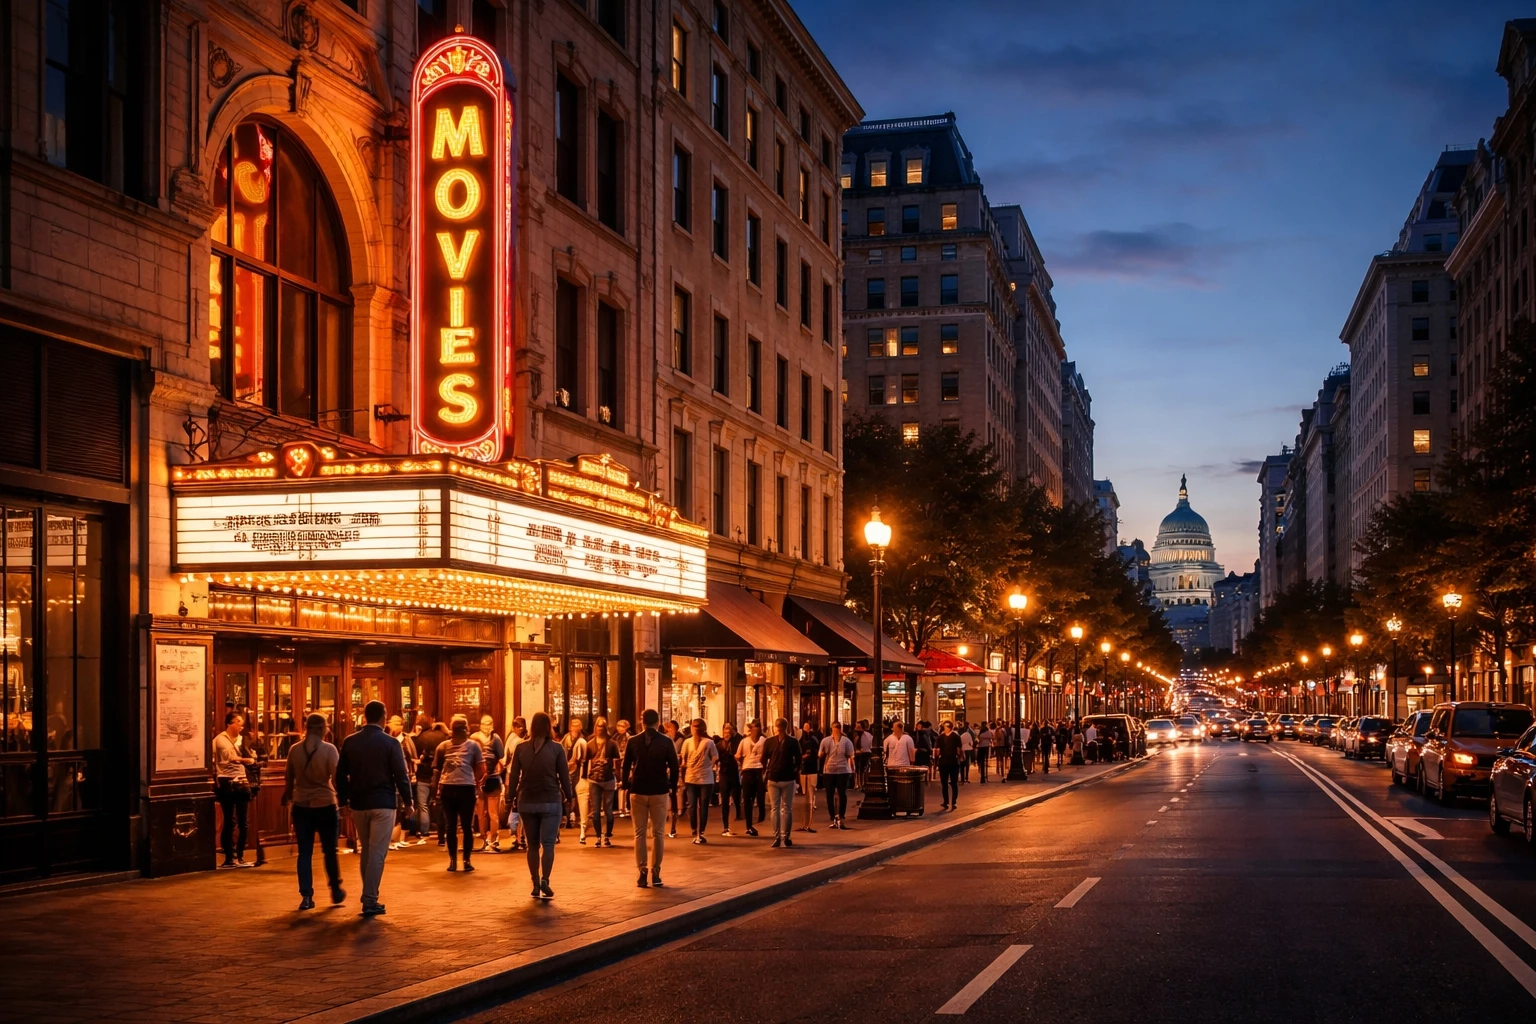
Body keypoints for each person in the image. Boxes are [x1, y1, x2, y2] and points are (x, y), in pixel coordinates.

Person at [335, 700, 413, 916]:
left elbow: (340, 775)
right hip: (383, 803)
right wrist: (408, 802)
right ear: (383, 716)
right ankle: (370, 898)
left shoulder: (350, 742)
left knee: (367, 850)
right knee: (378, 852)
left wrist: (343, 802)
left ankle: (368, 893)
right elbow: (401, 775)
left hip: (359, 804)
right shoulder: (390, 743)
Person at [507, 711, 575, 899]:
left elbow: (514, 776)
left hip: (527, 801)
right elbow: (564, 776)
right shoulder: (557, 748)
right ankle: (545, 879)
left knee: (532, 845)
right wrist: (569, 797)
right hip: (551, 801)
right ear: (549, 726)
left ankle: (535, 881)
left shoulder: (521, 749)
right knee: (548, 844)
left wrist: (509, 796)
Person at [282, 713, 344, 910]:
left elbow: (289, 777)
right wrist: (343, 799)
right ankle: (335, 888)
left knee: (304, 853)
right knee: (330, 851)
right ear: (320, 728)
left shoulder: (294, 750)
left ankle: (306, 896)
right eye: (326, 726)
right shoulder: (329, 750)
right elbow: (336, 778)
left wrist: (289, 795)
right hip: (325, 804)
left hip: (301, 806)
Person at [622, 708, 678, 887]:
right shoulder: (666, 741)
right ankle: (656, 871)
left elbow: (625, 766)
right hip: (659, 789)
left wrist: (626, 785)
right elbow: (674, 766)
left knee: (639, 833)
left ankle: (642, 871)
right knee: (658, 833)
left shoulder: (633, 741)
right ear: (658, 722)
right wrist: (672, 786)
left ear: (642, 722)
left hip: (638, 789)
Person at [433, 715, 485, 872]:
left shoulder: (443, 746)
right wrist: (477, 782)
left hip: (448, 788)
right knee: (467, 826)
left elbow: (437, 771)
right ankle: (466, 860)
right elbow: (481, 767)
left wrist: (437, 789)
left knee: (451, 826)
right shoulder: (474, 746)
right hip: (466, 788)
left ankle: (453, 861)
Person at [213, 712, 255, 868]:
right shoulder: (220, 740)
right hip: (227, 781)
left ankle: (241, 857)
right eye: (239, 723)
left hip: (242, 780)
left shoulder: (244, 740)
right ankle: (229, 858)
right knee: (229, 820)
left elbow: (253, 758)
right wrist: (246, 759)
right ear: (230, 724)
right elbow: (225, 758)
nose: (241, 726)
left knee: (243, 822)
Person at [580, 717, 620, 846]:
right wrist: (584, 777)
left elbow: (617, 761)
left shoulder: (612, 743)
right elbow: (586, 762)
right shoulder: (590, 744)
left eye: (603, 726)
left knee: (608, 810)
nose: (600, 728)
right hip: (594, 779)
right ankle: (598, 836)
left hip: (608, 778)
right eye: (598, 726)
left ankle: (607, 835)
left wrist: (618, 777)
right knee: (596, 810)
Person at [762, 718, 801, 848]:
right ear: (787, 727)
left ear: (775, 727)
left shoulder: (769, 742)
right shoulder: (793, 742)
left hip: (774, 776)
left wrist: (766, 771)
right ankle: (786, 836)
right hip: (787, 777)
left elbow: (763, 759)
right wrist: (794, 770)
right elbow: (799, 760)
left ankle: (777, 836)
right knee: (786, 808)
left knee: (775, 808)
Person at [679, 718, 719, 844]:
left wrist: (710, 764)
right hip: (691, 777)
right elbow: (683, 757)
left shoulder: (708, 742)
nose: (695, 729)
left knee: (704, 805)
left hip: (705, 777)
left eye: (697, 726)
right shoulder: (687, 742)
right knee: (691, 804)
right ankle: (693, 828)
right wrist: (683, 767)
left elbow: (715, 756)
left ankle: (701, 830)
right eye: (693, 726)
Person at [471, 715, 506, 853]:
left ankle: (494, 838)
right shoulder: (474, 738)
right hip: (478, 779)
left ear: (492, 725)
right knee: (481, 813)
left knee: (493, 813)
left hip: (492, 778)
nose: (486, 726)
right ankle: (484, 838)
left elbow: (501, 756)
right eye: (484, 723)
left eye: (489, 724)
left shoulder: (495, 739)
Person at [413, 714, 448, 845]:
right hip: (439, 775)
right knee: (439, 803)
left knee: (423, 805)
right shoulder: (443, 737)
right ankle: (442, 830)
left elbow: (417, 754)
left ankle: (424, 830)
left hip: (423, 775)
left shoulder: (419, 738)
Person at [387, 715, 419, 850]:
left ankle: (399, 838)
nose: (394, 726)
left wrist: (412, 772)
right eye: (391, 723)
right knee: (394, 806)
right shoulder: (386, 739)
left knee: (402, 807)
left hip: (404, 774)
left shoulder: (407, 740)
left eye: (397, 723)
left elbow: (413, 757)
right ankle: (391, 839)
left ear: (401, 725)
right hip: (390, 778)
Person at [818, 721, 855, 829]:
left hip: (842, 769)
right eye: (835, 729)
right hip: (829, 770)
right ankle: (832, 815)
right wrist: (824, 752)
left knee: (842, 793)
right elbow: (820, 754)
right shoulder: (826, 740)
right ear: (832, 729)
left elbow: (850, 754)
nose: (836, 731)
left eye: (838, 729)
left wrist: (852, 767)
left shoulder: (846, 741)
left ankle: (841, 814)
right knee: (829, 793)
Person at [737, 720, 767, 838]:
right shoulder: (744, 741)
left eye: (758, 727)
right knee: (748, 799)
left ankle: (761, 816)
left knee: (760, 796)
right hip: (748, 770)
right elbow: (738, 755)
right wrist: (742, 765)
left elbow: (767, 755)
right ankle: (749, 825)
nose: (756, 730)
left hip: (759, 770)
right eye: (754, 727)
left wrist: (764, 767)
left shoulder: (764, 741)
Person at [715, 721, 742, 836]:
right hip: (724, 773)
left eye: (729, 729)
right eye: (725, 729)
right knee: (725, 799)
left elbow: (739, 753)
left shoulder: (736, 742)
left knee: (736, 796)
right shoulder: (719, 744)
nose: (727, 731)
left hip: (734, 772)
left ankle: (739, 813)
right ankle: (725, 825)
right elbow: (715, 757)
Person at [505, 717, 528, 851]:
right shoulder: (514, 739)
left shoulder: (523, 740)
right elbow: (506, 757)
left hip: (521, 775)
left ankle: (520, 836)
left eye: (521, 726)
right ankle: (517, 836)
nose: (519, 728)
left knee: (520, 806)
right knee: (516, 805)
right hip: (513, 774)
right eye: (517, 726)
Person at [561, 718, 586, 830]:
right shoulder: (566, 738)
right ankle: (568, 815)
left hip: (576, 769)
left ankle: (573, 814)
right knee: (567, 793)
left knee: (574, 793)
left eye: (577, 725)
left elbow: (580, 757)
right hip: (566, 768)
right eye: (573, 725)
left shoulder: (581, 740)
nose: (575, 728)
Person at [797, 721, 821, 833]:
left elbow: (816, 754)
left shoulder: (813, 740)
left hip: (811, 770)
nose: (805, 729)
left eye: (807, 727)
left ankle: (808, 823)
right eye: (804, 727)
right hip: (804, 770)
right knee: (805, 794)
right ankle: (805, 823)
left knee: (810, 794)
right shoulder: (801, 740)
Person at [936, 720, 964, 810]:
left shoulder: (956, 737)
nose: (945, 729)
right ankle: (946, 801)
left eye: (946, 727)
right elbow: (938, 749)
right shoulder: (940, 737)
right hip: (943, 761)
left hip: (953, 761)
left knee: (954, 782)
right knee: (944, 782)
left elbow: (959, 748)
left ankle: (954, 801)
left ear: (950, 728)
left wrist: (959, 757)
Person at [613, 719, 633, 819]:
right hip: (617, 763)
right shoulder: (615, 738)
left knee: (626, 785)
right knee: (619, 784)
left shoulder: (629, 738)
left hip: (626, 763)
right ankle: (621, 807)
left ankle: (626, 806)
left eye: (622, 726)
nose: (620, 728)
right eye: (619, 726)